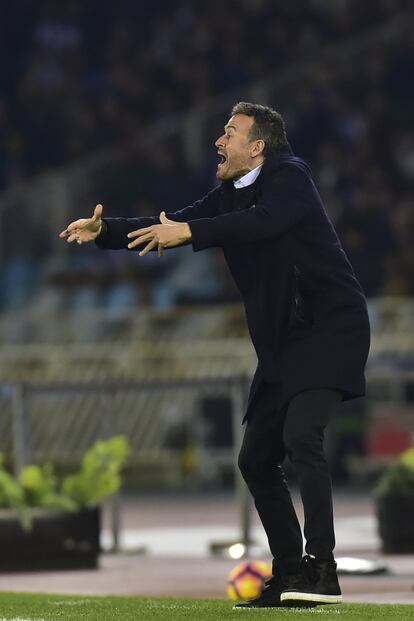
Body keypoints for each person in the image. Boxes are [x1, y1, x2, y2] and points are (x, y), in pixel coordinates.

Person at [60, 102, 370, 608]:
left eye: (230, 132)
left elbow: (263, 222)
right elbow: (173, 223)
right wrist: (107, 233)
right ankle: (291, 572)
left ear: (258, 148)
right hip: (282, 345)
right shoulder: (230, 195)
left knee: (302, 437)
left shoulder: (291, 177)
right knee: (255, 459)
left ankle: (323, 571)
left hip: (328, 329)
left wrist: (192, 234)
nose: (218, 141)